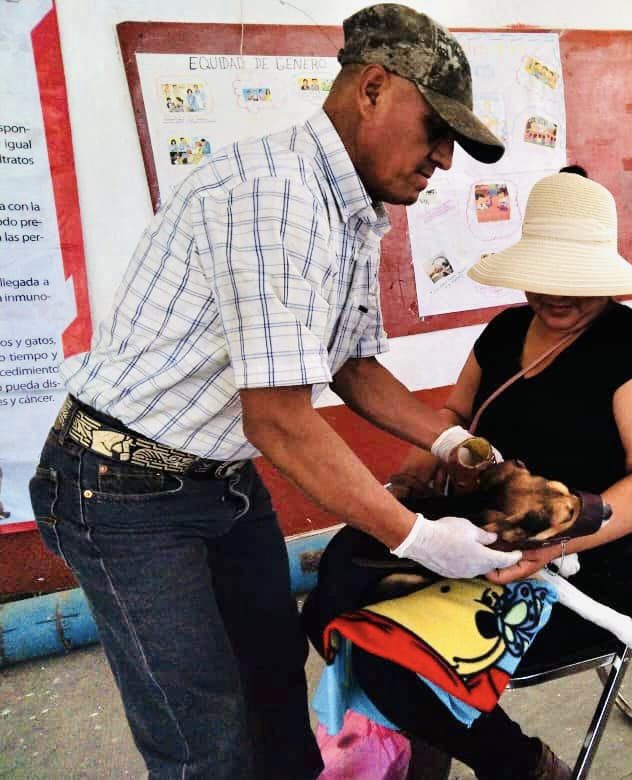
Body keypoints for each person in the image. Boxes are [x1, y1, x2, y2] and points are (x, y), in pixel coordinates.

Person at [25, 5, 528, 778]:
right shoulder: (277, 194)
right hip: (118, 489)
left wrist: (447, 440)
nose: (444, 161)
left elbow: (352, 364)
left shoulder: (355, 208)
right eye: (435, 130)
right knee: (205, 743)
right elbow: (280, 419)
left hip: (218, 479)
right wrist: (419, 539)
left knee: (274, 698)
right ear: (372, 89)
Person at [345, 172, 632, 779]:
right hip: (474, 536)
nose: (556, 295)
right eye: (545, 276)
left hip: (581, 565)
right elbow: (456, 415)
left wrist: (554, 540)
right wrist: (414, 476)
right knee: (346, 603)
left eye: (573, 280)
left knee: (399, 654)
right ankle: (443, 754)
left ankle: (523, 767)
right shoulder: (507, 330)